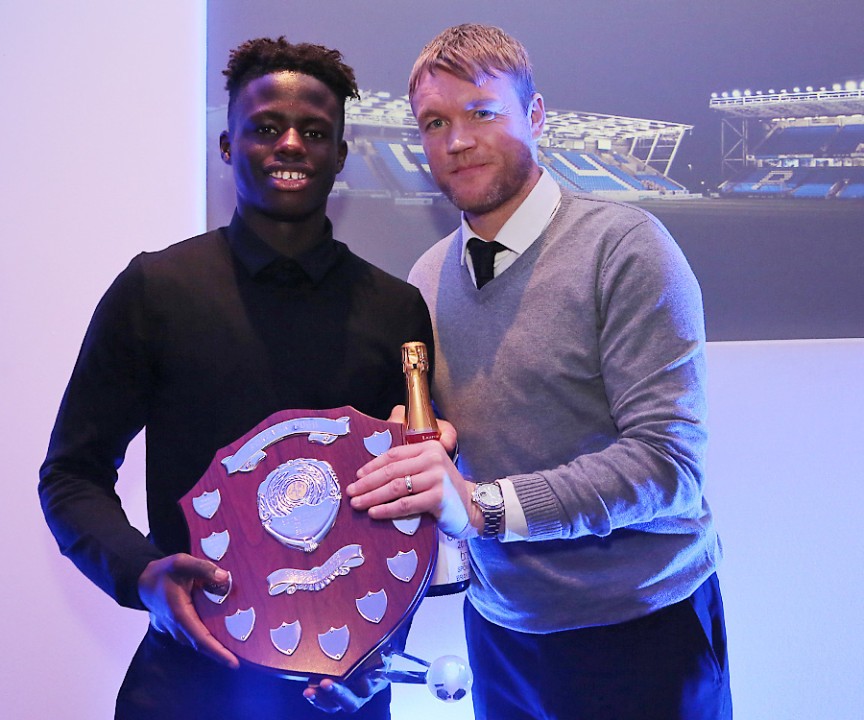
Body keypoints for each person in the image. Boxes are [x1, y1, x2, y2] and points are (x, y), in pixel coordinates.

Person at [39, 36, 433, 719]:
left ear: (341, 155)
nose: (290, 144)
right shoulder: (156, 290)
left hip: (344, 688)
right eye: (265, 128)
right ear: (227, 145)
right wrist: (142, 573)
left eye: (314, 132)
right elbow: (71, 475)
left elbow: (414, 502)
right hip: (188, 679)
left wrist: (385, 644)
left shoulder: (396, 310)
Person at [349, 24, 731, 720]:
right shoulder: (427, 277)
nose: (457, 141)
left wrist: (484, 506)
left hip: (642, 628)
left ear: (536, 115)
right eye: (435, 123)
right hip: (500, 632)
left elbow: (668, 465)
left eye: (481, 112)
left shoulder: (626, 247)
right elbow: (445, 464)